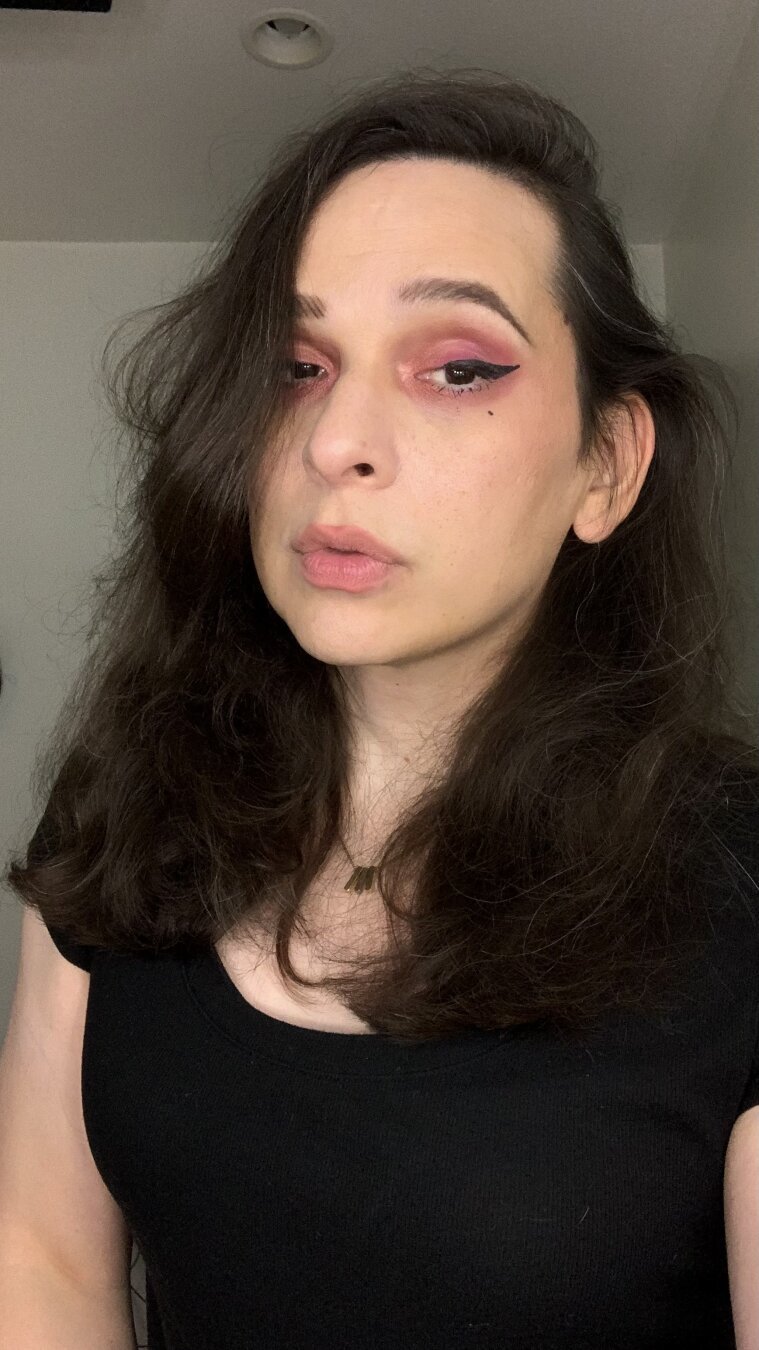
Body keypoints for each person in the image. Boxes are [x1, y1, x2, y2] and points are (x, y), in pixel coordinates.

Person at [2, 68, 758, 1350]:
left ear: (607, 464)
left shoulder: (741, 871)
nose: (335, 439)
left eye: (459, 367)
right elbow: (46, 1264)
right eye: (294, 366)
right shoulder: (130, 802)